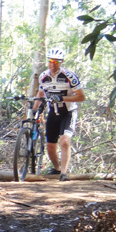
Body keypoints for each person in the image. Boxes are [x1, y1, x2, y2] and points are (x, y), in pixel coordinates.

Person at [34, 47, 85, 182]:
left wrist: (63, 98)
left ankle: (63, 173)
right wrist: (33, 111)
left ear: (61, 62)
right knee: (50, 146)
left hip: (68, 112)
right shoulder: (43, 77)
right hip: (53, 112)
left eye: (56, 61)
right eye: (50, 61)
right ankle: (56, 169)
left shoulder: (70, 76)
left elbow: (81, 97)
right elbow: (40, 94)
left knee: (64, 141)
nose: (53, 64)